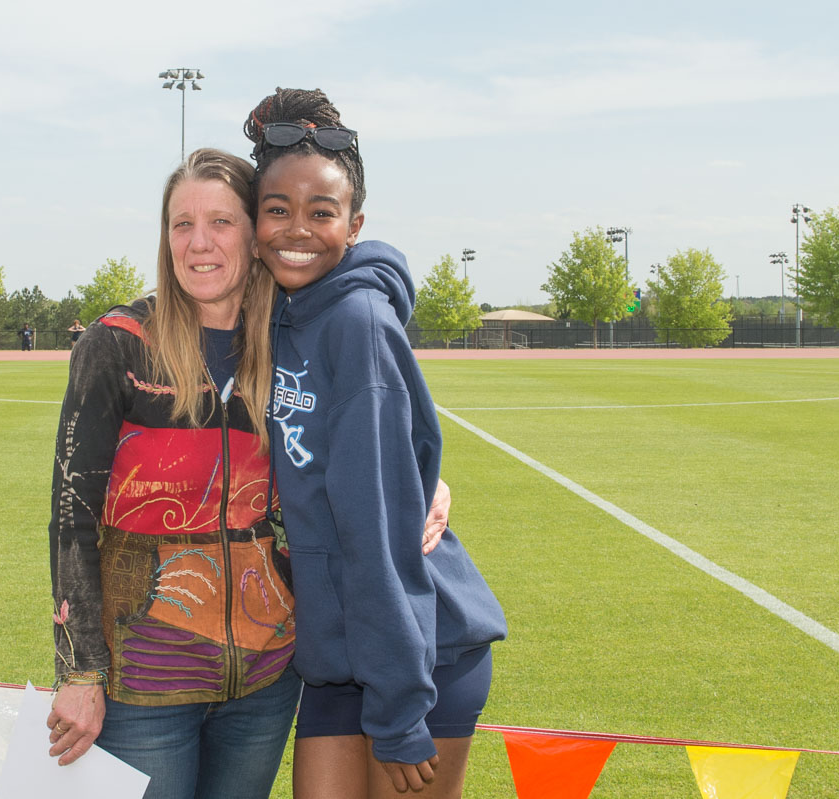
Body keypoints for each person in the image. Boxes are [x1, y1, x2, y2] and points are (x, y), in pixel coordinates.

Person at [44, 147, 452, 799]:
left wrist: (427, 480)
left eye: (221, 223)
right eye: (182, 224)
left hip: (266, 678)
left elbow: (366, 433)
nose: (199, 243)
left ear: (254, 237)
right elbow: (71, 519)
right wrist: (80, 668)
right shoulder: (117, 342)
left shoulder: (291, 338)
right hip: (147, 677)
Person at [243, 88, 507, 799]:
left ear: (354, 226)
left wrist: (397, 712)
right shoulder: (276, 313)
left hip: (420, 655)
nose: (297, 230)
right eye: (277, 210)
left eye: (321, 213)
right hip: (335, 656)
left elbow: (379, 532)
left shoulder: (357, 322)